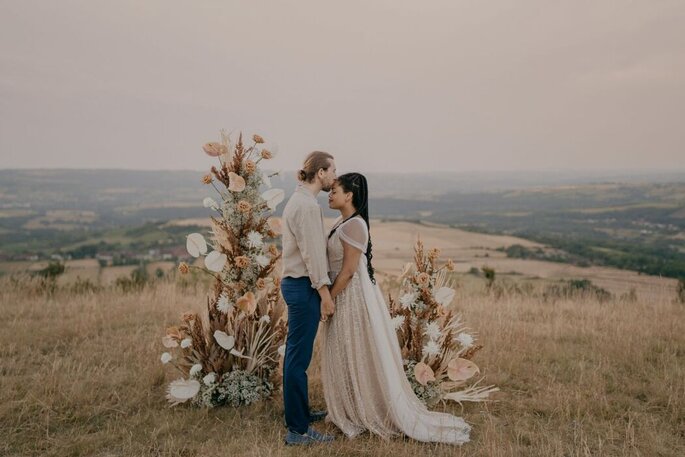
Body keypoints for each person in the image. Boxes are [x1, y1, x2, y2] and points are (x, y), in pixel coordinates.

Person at [321, 172, 471, 444]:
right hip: (345, 294)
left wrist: (328, 298)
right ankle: (350, 406)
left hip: (351, 296)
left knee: (355, 347)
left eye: (334, 190)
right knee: (346, 348)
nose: (329, 194)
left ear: (349, 195)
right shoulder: (343, 222)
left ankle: (364, 409)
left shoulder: (353, 225)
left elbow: (349, 271)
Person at [280, 151, 337, 445]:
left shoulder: (301, 200)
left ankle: (298, 413)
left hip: (297, 284)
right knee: (297, 360)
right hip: (303, 286)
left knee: (295, 356)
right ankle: (298, 430)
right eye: (332, 170)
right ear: (320, 173)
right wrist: (325, 295)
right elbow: (313, 257)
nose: (334, 177)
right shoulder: (307, 207)